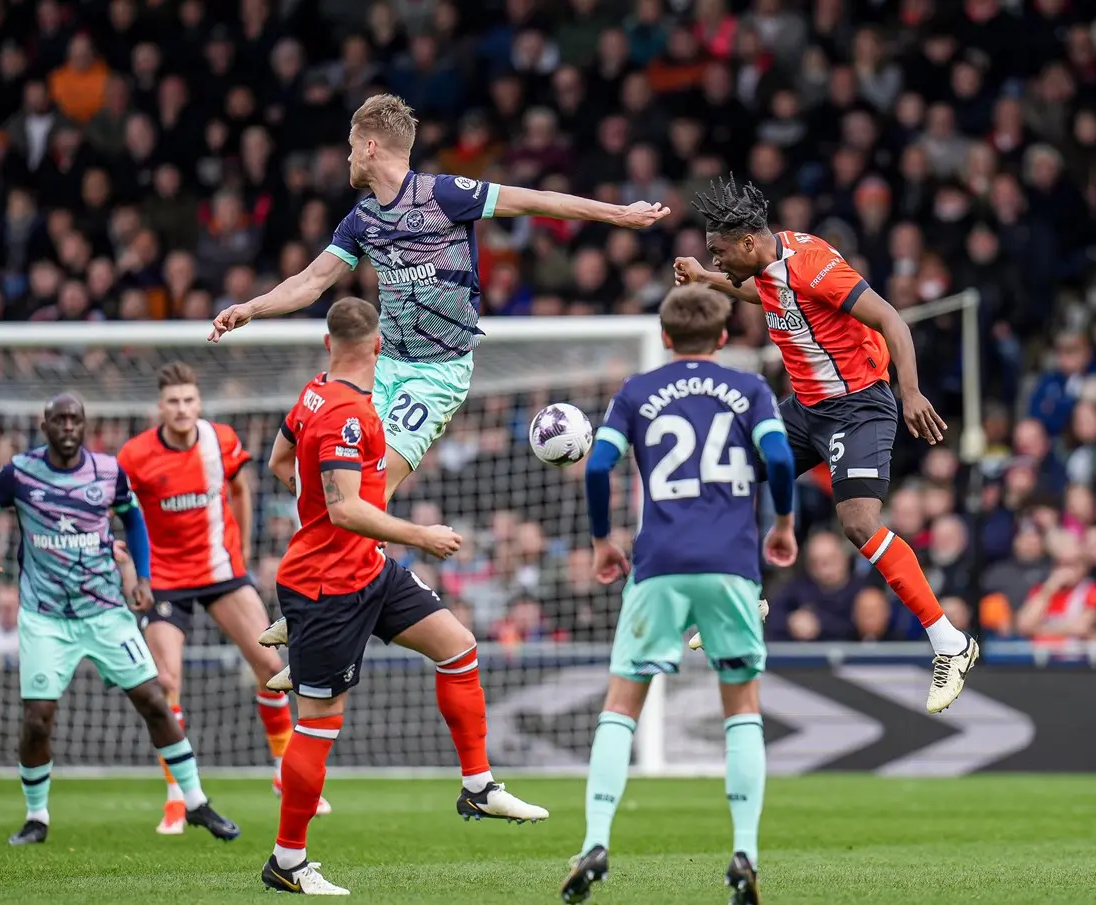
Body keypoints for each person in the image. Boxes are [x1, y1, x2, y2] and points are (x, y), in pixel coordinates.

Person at [210, 92, 668, 585]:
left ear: (368, 147)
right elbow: (311, 281)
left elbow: (536, 201)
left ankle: (335, 592)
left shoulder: (443, 194)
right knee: (296, 463)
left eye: (349, 147)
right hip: (379, 367)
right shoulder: (361, 221)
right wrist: (250, 308)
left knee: (365, 491)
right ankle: (343, 574)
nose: (345, 157)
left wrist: (619, 215)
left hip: (434, 374)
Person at [260, 298, 545, 896]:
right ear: (381, 345)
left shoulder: (315, 392)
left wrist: (311, 500)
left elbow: (278, 461)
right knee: (319, 725)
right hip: (328, 586)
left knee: (458, 646)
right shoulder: (346, 414)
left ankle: (478, 786)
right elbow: (345, 507)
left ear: (327, 342)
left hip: (368, 570)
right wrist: (422, 535)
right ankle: (287, 862)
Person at [673, 173, 977, 713]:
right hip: (806, 409)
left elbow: (890, 319)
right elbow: (757, 290)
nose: (717, 261)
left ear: (748, 242)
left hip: (859, 406)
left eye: (719, 254)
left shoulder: (812, 266)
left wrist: (910, 392)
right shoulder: (764, 266)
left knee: (858, 523)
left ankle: (950, 643)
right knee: (716, 471)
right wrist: (707, 279)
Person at [561, 285, 797, 905]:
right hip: (731, 565)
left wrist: (602, 541)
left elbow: (594, 466)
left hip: (659, 563)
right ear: (723, 338)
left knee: (622, 706)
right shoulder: (749, 390)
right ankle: (744, 851)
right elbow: (778, 457)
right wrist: (784, 525)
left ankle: (595, 838)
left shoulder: (637, 391)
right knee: (741, 708)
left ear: (665, 337)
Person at [0, 394, 238, 846]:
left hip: (106, 610)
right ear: (45, 424)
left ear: (84, 426)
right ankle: (36, 817)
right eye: (60, 419)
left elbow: (133, 519)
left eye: (75, 419)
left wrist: (142, 577)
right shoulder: (20, 472)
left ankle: (196, 802)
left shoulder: (108, 471)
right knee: (37, 719)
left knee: (154, 698)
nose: (68, 426)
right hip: (46, 616)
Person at [117, 363, 327, 834]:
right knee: (166, 681)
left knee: (273, 668)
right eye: (173, 401)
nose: (182, 409)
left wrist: (245, 549)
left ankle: (282, 772)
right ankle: (177, 796)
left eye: (189, 400)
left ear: (198, 403)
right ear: (160, 407)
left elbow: (240, 487)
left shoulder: (221, 441)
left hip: (221, 572)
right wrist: (132, 567)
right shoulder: (135, 456)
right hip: (165, 580)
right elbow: (122, 513)